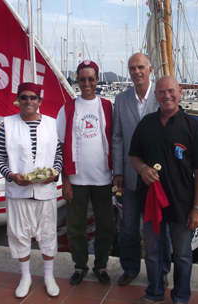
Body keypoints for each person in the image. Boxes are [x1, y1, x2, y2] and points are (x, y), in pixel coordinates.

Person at [129, 76, 198, 304]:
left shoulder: (192, 127)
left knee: (183, 255)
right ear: (155, 95)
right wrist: (142, 169)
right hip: (152, 202)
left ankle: (180, 298)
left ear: (180, 93)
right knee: (153, 252)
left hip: (182, 204)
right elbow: (134, 157)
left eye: (171, 91)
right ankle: (154, 292)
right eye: (162, 92)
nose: (167, 96)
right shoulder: (146, 124)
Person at [0, 82, 63, 299]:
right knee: (19, 234)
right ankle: (25, 277)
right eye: (23, 97)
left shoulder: (52, 125)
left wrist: (55, 173)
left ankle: (49, 276)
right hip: (18, 190)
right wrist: (11, 175)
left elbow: (58, 155)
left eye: (33, 97)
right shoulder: (7, 124)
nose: (28, 101)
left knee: (48, 234)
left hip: (45, 190)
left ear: (39, 101)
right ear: (18, 100)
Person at [112, 52, 171, 287]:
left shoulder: (161, 97)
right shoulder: (121, 99)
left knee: (159, 228)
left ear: (150, 69)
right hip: (129, 177)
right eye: (132, 68)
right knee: (128, 228)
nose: (136, 72)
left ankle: (163, 272)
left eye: (140, 67)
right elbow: (117, 137)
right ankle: (130, 267)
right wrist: (118, 171)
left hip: (158, 178)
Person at [56, 60, 115, 286]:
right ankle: (80, 266)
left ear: (97, 80)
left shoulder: (108, 107)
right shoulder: (68, 108)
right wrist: (66, 181)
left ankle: (100, 266)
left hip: (103, 179)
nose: (87, 83)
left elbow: (115, 141)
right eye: (82, 79)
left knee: (106, 227)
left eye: (91, 79)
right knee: (75, 227)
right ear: (77, 81)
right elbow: (61, 146)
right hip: (76, 180)